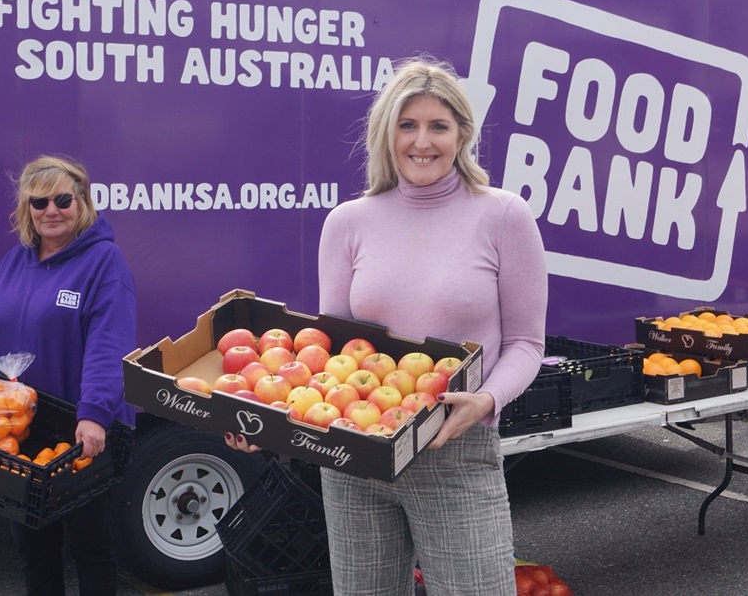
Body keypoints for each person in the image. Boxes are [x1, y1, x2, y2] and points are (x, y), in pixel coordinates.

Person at [228, 57, 546, 596]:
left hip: (454, 446)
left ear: (462, 134)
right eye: (408, 124)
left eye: (438, 126)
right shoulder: (349, 222)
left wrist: (486, 400)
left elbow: (525, 344)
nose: (422, 141)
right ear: (386, 134)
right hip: (354, 453)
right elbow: (329, 359)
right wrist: (269, 421)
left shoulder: (503, 216)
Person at [0, 155, 136, 596]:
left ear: (82, 203)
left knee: (92, 550)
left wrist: (94, 413)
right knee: (33, 549)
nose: (51, 210)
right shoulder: (14, 262)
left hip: (80, 429)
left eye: (62, 199)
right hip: (16, 428)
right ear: (27, 211)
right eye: (40, 202)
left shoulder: (103, 262)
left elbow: (108, 346)